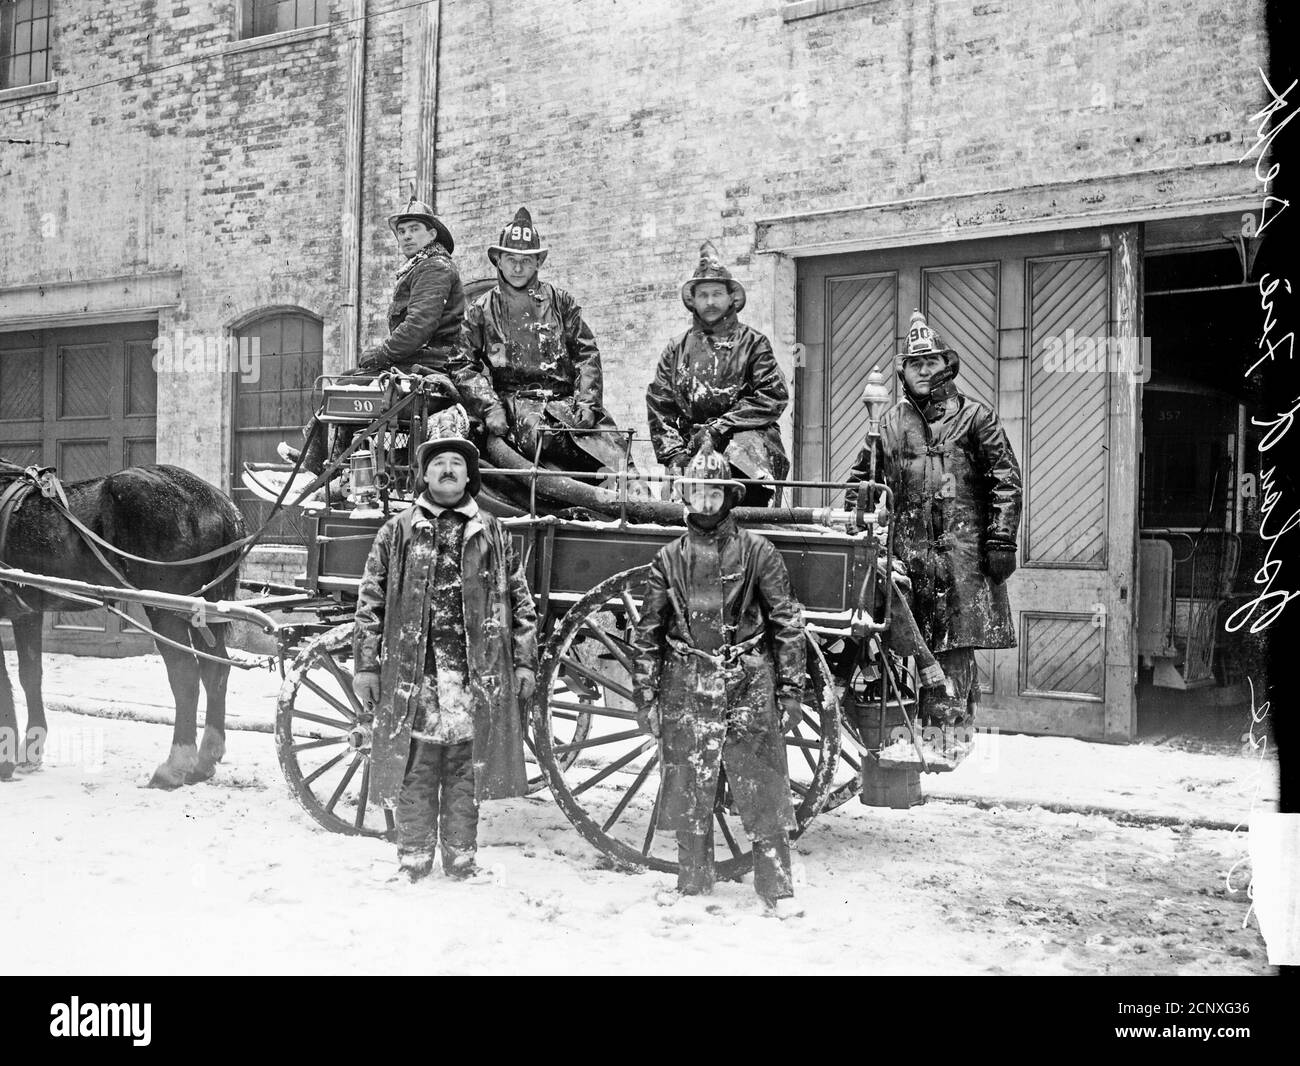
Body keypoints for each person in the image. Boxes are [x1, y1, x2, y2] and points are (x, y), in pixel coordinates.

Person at [352, 406, 538, 881]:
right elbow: (370, 602)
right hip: (418, 675)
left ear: (468, 474)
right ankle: (412, 859)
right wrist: (367, 666)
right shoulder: (398, 532)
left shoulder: (492, 533)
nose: (448, 470)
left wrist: (523, 663)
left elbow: (519, 602)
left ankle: (461, 859)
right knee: (416, 769)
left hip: (475, 674)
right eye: (438, 463)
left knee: (463, 771)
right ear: (425, 473)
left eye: (457, 463)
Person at [629, 441, 803, 914]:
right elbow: (648, 632)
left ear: (730, 496)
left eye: (715, 493)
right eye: (698, 493)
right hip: (686, 681)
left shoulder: (758, 552)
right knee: (689, 784)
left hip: (747, 681)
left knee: (762, 784)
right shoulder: (669, 558)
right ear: (686, 497)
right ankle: (693, 883)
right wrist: (646, 696)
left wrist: (790, 690)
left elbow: (786, 622)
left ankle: (777, 889)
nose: (707, 502)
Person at [844, 310, 1022, 769]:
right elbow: (860, 484)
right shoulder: (888, 424)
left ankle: (952, 734)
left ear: (946, 365)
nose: (924, 370)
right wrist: (856, 524)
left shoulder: (976, 417)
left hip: (962, 558)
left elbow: (1005, 480)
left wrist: (1001, 540)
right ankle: (906, 731)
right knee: (910, 645)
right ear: (902, 371)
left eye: (931, 362)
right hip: (908, 554)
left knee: (954, 644)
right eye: (915, 363)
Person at [280, 198, 488, 478]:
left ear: (432, 234)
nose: (406, 236)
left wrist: (380, 354)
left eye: (414, 229)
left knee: (344, 387)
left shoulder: (434, 268)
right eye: (402, 232)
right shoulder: (421, 268)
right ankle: (329, 465)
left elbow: (417, 328)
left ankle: (324, 466)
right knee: (346, 384)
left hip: (429, 368)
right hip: (414, 365)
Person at [458, 206, 638, 478]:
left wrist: (588, 404)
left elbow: (586, 354)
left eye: (526, 260)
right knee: (549, 448)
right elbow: (462, 365)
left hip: (567, 403)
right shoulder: (481, 310)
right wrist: (490, 407)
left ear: (538, 263)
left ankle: (634, 505)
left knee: (616, 452)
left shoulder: (561, 302)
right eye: (511, 259)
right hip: (518, 405)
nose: (518, 267)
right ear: (498, 261)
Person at [646, 241, 790, 506]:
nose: (710, 302)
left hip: (747, 458)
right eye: (703, 295)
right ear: (693, 300)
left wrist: (720, 428)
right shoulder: (676, 349)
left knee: (745, 516)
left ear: (730, 297)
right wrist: (675, 455)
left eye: (716, 294)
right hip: (693, 453)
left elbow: (772, 397)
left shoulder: (754, 344)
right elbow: (660, 405)